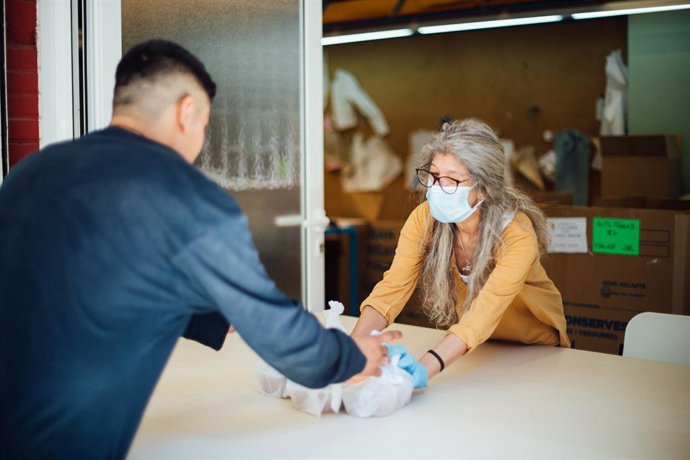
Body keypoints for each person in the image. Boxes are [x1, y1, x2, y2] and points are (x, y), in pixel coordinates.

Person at [0, 39, 400, 459]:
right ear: (186, 111)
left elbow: (95, 280)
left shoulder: (33, 171)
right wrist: (353, 358)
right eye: (204, 125)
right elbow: (279, 335)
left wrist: (212, 317)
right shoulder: (187, 197)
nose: (199, 141)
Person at [352, 119, 570, 388]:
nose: (437, 188)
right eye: (432, 176)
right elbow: (393, 286)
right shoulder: (425, 219)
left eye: (452, 180)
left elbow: (485, 311)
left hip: (536, 352)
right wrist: (355, 345)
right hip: (476, 345)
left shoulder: (516, 235)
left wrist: (423, 369)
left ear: (485, 187)